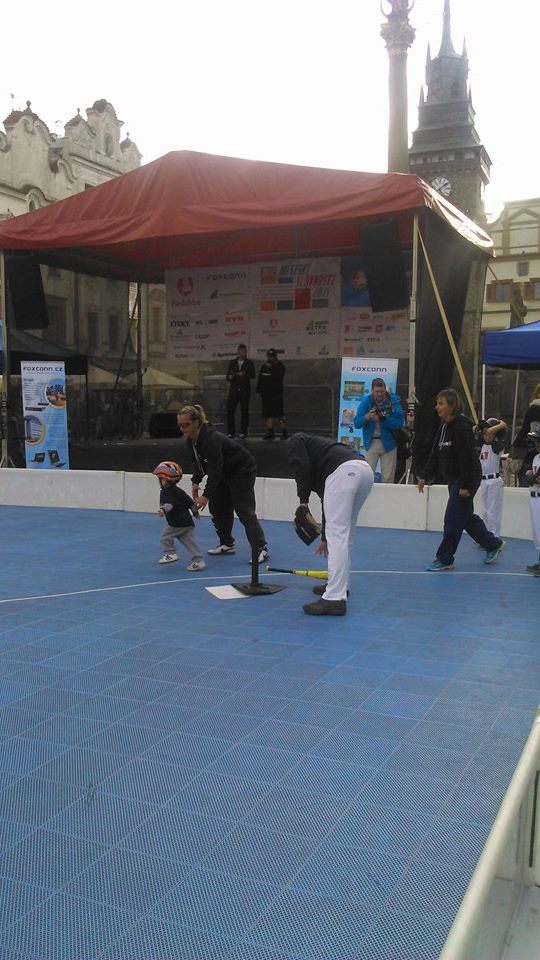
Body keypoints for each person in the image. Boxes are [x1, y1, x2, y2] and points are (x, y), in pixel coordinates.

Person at [417, 389, 506, 571]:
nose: (437, 407)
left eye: (441, 403)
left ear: (452, 406)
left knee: (452, 518)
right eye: (437, 403)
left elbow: (467, 458)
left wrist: (465, 485)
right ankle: (493, 544)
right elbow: (436, 453)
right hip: (455, 478)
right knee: (466, 517)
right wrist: (424, 475)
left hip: (466, 478)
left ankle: (445, 558)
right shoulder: (444, 426)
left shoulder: (461, 427)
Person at [288, 433, 374, 616]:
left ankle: (334, 598)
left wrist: (303, 502)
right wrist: (325, 537)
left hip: (345, 472)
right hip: (364, 470)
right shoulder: (322, 455)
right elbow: (326, 502)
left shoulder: (297, 440)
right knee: (344, 534)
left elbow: (301, 467)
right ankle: (341, 587)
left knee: (339, 535)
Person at [177, 404, 269, 563]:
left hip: (241, 470)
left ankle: (260, 548)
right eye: (180, 425)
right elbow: (199, 464)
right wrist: (195, 482)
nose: (182, 428)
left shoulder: (210, 439)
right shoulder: (191, 441)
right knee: (217, 506)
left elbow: (215, 468)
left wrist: (205, 495)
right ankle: (227, 543)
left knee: (244, 509)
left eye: (186, 424)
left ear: (196, 423)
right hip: (224, 472)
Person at [152, 460, 205, 570]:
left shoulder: (166, 492)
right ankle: (198, 561)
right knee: (189, 542)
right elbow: (190, 503)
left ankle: (171, 553)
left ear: (167, 479)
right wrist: (195, 512)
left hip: (177, 523)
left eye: (160, 479)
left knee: (164, 536)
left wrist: (163, 510)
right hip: (187, 523)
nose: (159, 481)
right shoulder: (179, 491)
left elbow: (169, 504)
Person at [353, 377, 404, 482]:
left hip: (389, 443)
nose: (379, 394)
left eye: (382, 391)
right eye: (377, 392)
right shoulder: (366, 402)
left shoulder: (393, 401)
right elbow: (357, 423)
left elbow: (399, 423)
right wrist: (367, 416)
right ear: (372, 391)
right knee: (367, 476)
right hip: (371, 442)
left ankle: (387, 498)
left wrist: (382, 419)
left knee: (388, 478)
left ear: (385, 389)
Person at [475, 417, 507, 538]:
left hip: (494, 481)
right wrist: (479, 428)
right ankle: (486, 536)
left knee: (493, 511)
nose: (486, 434)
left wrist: (501, 425)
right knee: (485, 512)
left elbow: (489, 432)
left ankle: (494, 536)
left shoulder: (497, 446)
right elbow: (475, 432)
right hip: (483, 481)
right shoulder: (482, 446)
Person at [256, 349, 288, 440]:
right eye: (269, 356)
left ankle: (284, 431)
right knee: (267, 413)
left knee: (280, 413)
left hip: (276, 393)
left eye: (272, 356)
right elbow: (260, 378)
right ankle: (270, 432)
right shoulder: (264, 366)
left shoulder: (280, 366)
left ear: (275, 356)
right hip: (266, 394)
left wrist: (271, 368)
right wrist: (258, 391)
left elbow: (278, 377)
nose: (270, 358)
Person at [225, 343, 255, 438]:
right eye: (242, 352)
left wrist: (244, 374)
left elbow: (253, 375)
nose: (244, 354)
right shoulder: (232, 362)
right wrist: (231, 377)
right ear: (238, 352)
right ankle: (231, 432)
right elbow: (228, 376)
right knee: (230, 410)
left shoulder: (249, 363)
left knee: (244, 411)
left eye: (245, 352)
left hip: (244, 390)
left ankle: (243, 431)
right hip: (234, 390)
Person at [524, 425, 540, 575]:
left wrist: (533, 478)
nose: (536, 444)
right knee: (537, 534)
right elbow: (528, 473)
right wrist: (530, 475)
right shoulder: (536, 457)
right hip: (534, 497)